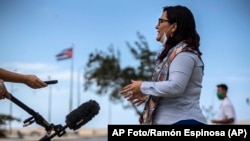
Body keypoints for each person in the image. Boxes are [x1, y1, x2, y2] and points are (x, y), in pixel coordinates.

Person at [120, 5, 207, 125]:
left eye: (161, 21)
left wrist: (143, 86)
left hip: (183, 122)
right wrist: (148, 95)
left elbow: (176, 87)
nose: (157, 26)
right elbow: (172, 92)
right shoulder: (173, 54)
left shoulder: (184, 54)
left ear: (174, 26)